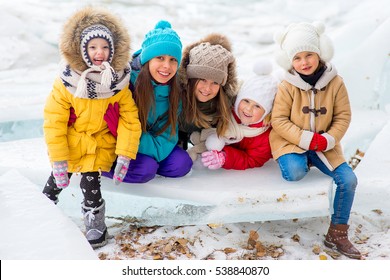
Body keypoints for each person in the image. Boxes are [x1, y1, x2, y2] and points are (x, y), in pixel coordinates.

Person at [42, 6, 141, 248]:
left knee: (90, 178)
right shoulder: (67, 81)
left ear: (113, 50)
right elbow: (54, 120)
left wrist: (125, 154)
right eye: (94, 46)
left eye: (105, 47)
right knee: (56, 179)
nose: (100, 52)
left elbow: (130, 118)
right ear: (83, 49)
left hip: (99, 142)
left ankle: (96, 222)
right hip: (72, 141)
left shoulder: (118, 82)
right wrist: (58, 158)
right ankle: (41, 207)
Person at [271, 21, 361, 259]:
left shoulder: (335, 82)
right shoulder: (287, 85)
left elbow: (343, 115)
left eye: (309, 55)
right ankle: (304, 160)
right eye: (297, 58)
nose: (304, 62)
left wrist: (329, 139)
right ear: (289, 61)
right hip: (292, 142)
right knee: (294, 173)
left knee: (348, 180)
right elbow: (278, 120)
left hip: (325, 145)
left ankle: (337, 234)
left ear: (319, 53)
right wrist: (305, 139)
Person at [103, 20, 193, 183]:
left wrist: (146, 146)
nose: (167, 66)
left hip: (144, 142)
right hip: (119, 146)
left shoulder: (175, 91)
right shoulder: (126, 82)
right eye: (160, 57)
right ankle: (99, 167)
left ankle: (148, 162)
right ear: (148, 59)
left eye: (173, 60)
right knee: (145, 169)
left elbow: (167, 136)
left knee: (181, 164)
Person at [201, 59, 277, 170]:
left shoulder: (265, 136)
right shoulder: (227, 114)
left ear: (267, 112)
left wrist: (226, 157)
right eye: (246, 101)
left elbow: (253, 159)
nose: (248, 109)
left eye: (257, 106)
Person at [178, 33, 238, 161]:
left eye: (215, 82)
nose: (207, 88)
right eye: (203, 80)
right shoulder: (177, 97)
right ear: (191, 79)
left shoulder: (224, 103)